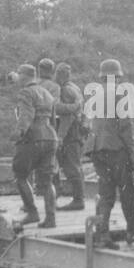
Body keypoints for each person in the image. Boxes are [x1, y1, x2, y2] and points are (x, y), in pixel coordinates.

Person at [87, 59, 134, 248]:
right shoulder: (120, 95)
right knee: (127, 193)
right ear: (118, 77)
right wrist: (133, 151)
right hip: (115, 150)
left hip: (97, 150)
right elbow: (126, 127)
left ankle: (102, 235)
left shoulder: (95, 94)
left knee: (106, 194)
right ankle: (132, 233)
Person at [12, 63, 59, 227]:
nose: (17, 77)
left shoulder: (26, 92)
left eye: (19, 74)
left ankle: (32, 213)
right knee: (47, 181)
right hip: (50, 136)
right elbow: (53, 120)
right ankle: (51, 218)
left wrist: (18, 133)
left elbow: (26, 115)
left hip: (33, 137)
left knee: (20, 176)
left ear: (25, 76)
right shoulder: (47, 93)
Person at [52, 61, 87, 209]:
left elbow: (67, 117)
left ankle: (78, 200)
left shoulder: (65, 90)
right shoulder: (74, 88)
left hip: (70, 132)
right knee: (72, 164)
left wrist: (60, 136)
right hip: (76, 130)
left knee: (71, 166)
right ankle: (73, 196)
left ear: (59, 75)